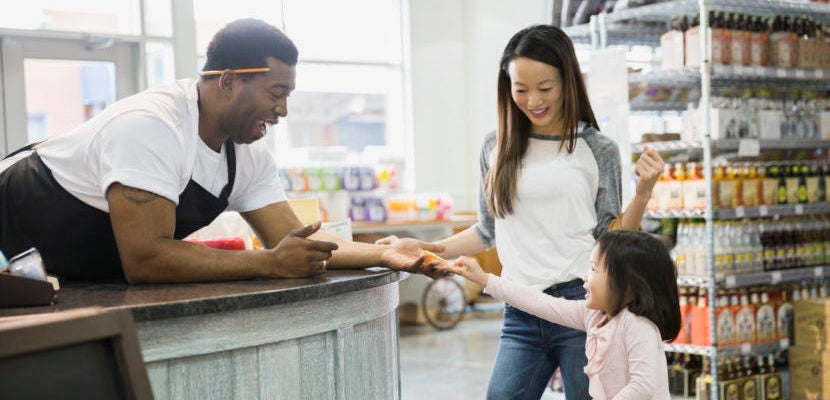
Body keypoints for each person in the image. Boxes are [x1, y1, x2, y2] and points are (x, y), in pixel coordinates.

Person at [0, 18, 442, 283]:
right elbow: (145, 258)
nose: (283, 110)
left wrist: (385, 254)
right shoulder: (151, 127)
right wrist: (269, 264)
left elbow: (295, 241)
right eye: (276, 92)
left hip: (59, 267)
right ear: (229, 81)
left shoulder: (246, 152)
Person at [376, 24, 664, 399]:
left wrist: (642, 194)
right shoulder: (495, 146)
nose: (533, 100)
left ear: (568, 82)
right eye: (521, 89)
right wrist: (429, 249)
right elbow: (487, 230)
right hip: (520, 307)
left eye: (545, 88)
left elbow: (612, 238)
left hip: (583, 306)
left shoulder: (597, 149)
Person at [444, 230, 681, 400]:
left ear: (629, 284)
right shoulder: (594, 316)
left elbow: (644, 385)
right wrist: (485, 279)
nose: (585, 278)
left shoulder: (638, 326)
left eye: (594, 269)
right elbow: (539, 302)